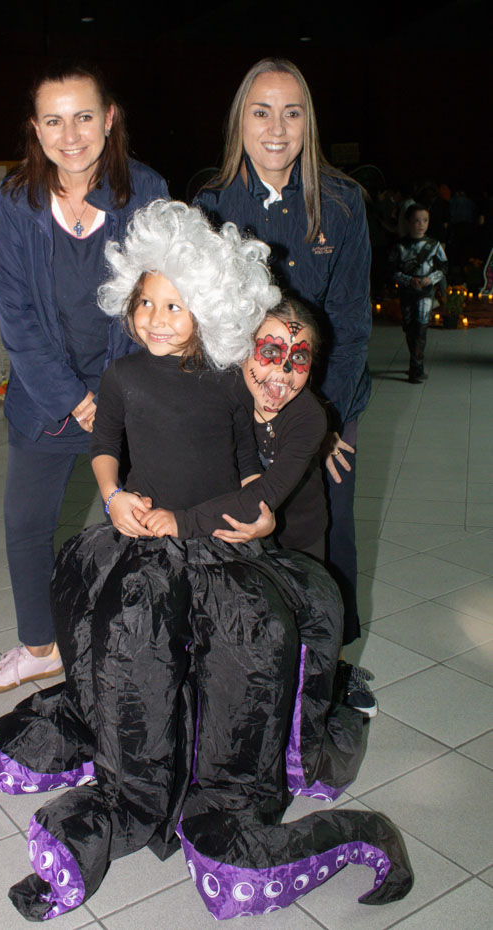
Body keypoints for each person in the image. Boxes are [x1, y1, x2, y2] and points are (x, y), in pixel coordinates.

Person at [0, 202, 411, 922]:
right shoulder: (149, 375)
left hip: (235, 545)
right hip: (150, 533)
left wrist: (244, 512)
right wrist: (116, 495)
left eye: (175, 305)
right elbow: (118, 443)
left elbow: (251, 472)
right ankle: (129, 784)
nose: (277, 372)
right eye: (147, 303)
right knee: (127, 637)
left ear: (207, 311)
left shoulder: (275, 402)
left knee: (245, 646)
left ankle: (228, 793)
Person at [0, 61, 168, 694]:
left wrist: (112, 396)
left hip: (132, 390)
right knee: (26, 525)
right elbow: (17, 317)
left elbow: (160, 302)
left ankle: (152, 649)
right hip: (45, 397)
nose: (71, 135)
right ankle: (39, 647)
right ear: (35, 128)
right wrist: (75, 400)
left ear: (109, 118)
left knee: (148, 524)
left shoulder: (146, 190)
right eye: (53, 121)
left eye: (84, 116)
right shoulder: (16, 200)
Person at [194, 57, 375, 714]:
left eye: (291, 113)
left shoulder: (343, 203)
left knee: (327, 527)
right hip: (240, 404)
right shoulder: (211, 204)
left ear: (308, 122)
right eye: (261, 112)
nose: (276, 128)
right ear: (240, 121)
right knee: (240, 526)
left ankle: (331, 666)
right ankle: (240, 659)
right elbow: (208, 324)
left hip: (322, 403)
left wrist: (324, 423)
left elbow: (351, 322)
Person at [138, 297, 328, 562]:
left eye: (298, 357)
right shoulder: (220, 393)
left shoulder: (308, 418)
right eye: (270, 352)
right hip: (224, 532)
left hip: (297, 539)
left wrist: (180, 522)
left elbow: (261, 498)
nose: (284, 371)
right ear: (240, 351)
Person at [388, 203, 448, 383]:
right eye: (417, 220)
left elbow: (443, 266)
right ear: (408, 222)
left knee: (421, 329)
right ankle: (415, 364)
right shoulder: (399, 246)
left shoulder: (434, 245)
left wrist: (431, 278)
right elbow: (391, 270)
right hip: (407, 291)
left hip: (425, 291)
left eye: (425, 220)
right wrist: (408, 280)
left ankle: (416, 368)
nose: (421, 224)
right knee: (409, 328)